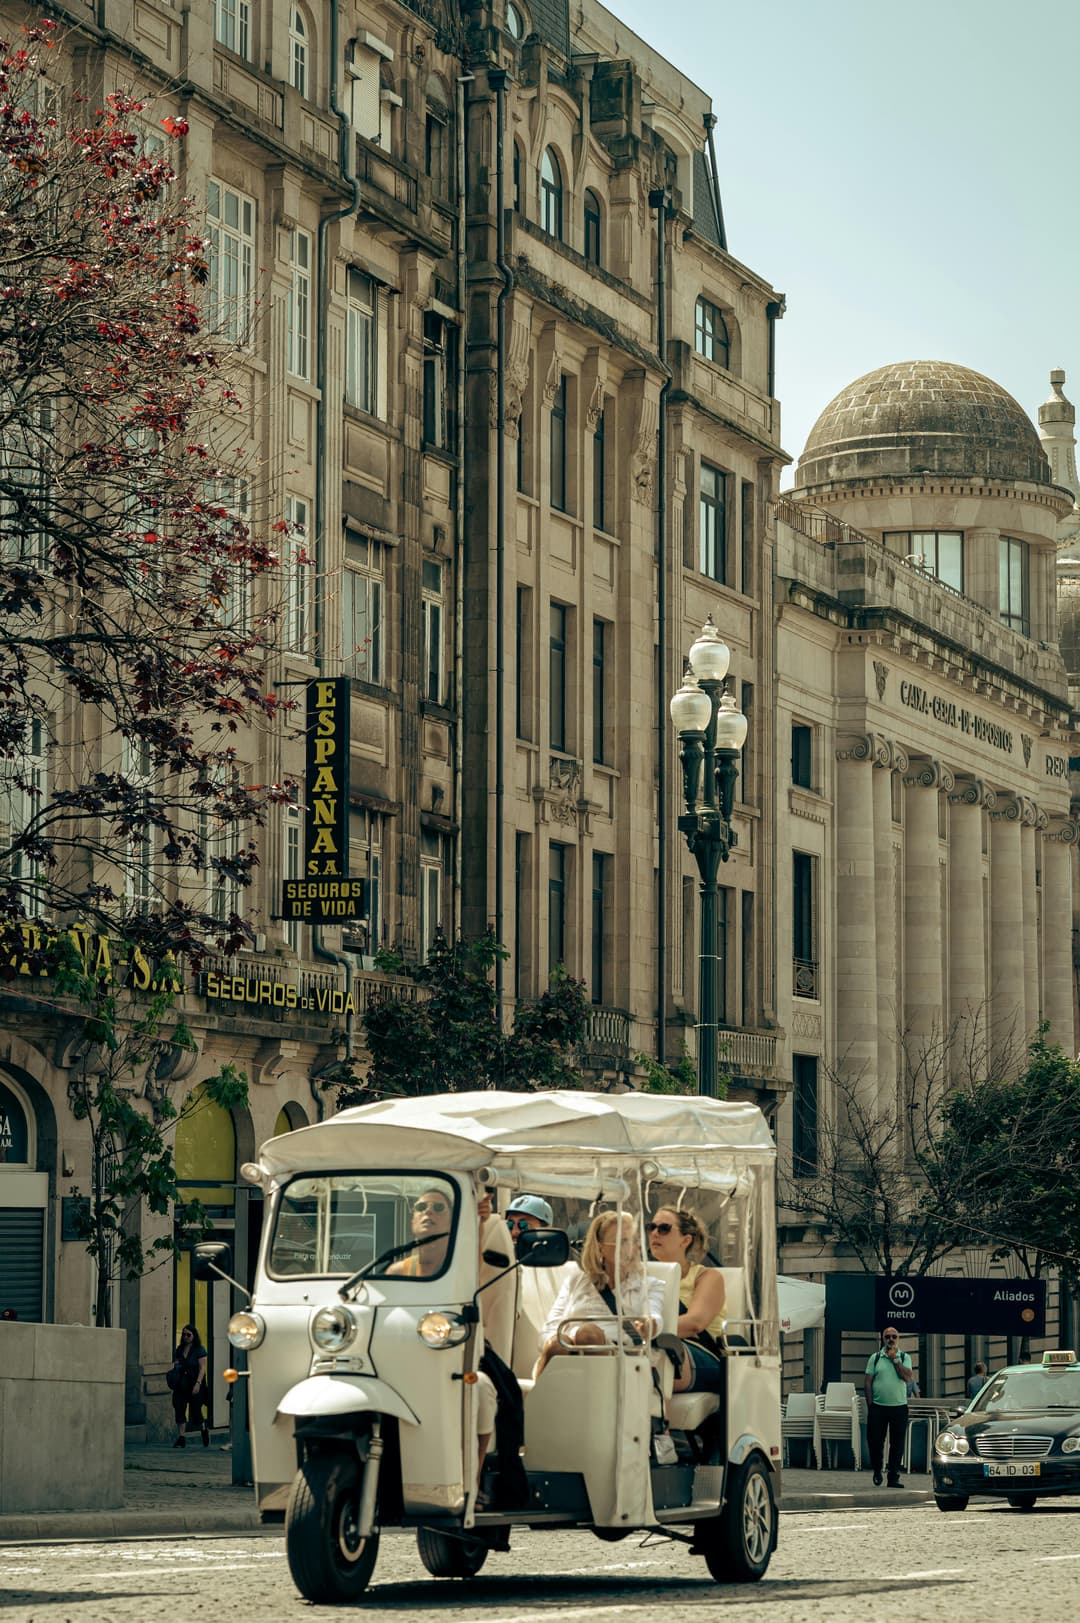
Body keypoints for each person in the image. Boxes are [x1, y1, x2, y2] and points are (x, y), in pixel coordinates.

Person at [535, 1210, 665, 1377]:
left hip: (621, 1361)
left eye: (634, 1240)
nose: (631, 1248)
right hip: (566, 1354)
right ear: (600, 1247)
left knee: (589, 1335)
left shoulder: (649, 1285)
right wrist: (566, 1342)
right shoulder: (576, 1281)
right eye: (622, 1241)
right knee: (557, 1344)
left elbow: (654, 1315)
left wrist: (649, 1325)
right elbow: (549, 1329)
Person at [646, 1205, 727, 1392]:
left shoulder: (707, 1277)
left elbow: (695, 1323)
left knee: (660, 1356)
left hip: (701, 1353)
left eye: (664, 1228)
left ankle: (659, 1419)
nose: (655, 1234)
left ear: (685, 1240)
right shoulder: (641, 1276)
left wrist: (643, 1332)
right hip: (652, 1345)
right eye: (652, 1227)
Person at [864, 1325, 915, 1487]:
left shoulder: (905, 1357)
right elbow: (868, 1382)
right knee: (875, 1441)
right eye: (888, 1337)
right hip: (878, 1407)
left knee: (897, 1443)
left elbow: (907, 1378)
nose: (891, 1340)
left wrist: (895, 1360)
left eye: (894, 1336)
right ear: (883, 1339)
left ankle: (893, 1476)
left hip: (899, 1407)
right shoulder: (875, 1358)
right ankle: (878, 1470)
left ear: (898, 1339)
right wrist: (870, 1405)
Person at [386, 1187, 454, 1277]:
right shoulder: (398, 1272)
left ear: (451, 1223)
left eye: (438, 1207)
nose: (428, 1211)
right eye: (421, 1207)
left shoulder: (466, 1267)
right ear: (413, 1222)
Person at [170, 1323, 208, 1448]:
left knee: (196, 1411)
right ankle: (181, 1437)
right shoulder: (180, 1349)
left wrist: (198, 1384)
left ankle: (203, 1428)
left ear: (194, 1336)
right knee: (179, 1408)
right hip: (181, 1383)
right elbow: (176, 1364)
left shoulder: (199, 1349)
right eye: (184, 1334)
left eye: (188, 1334)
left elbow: (202, 1368)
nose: (186, 1337)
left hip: (195, 1382)